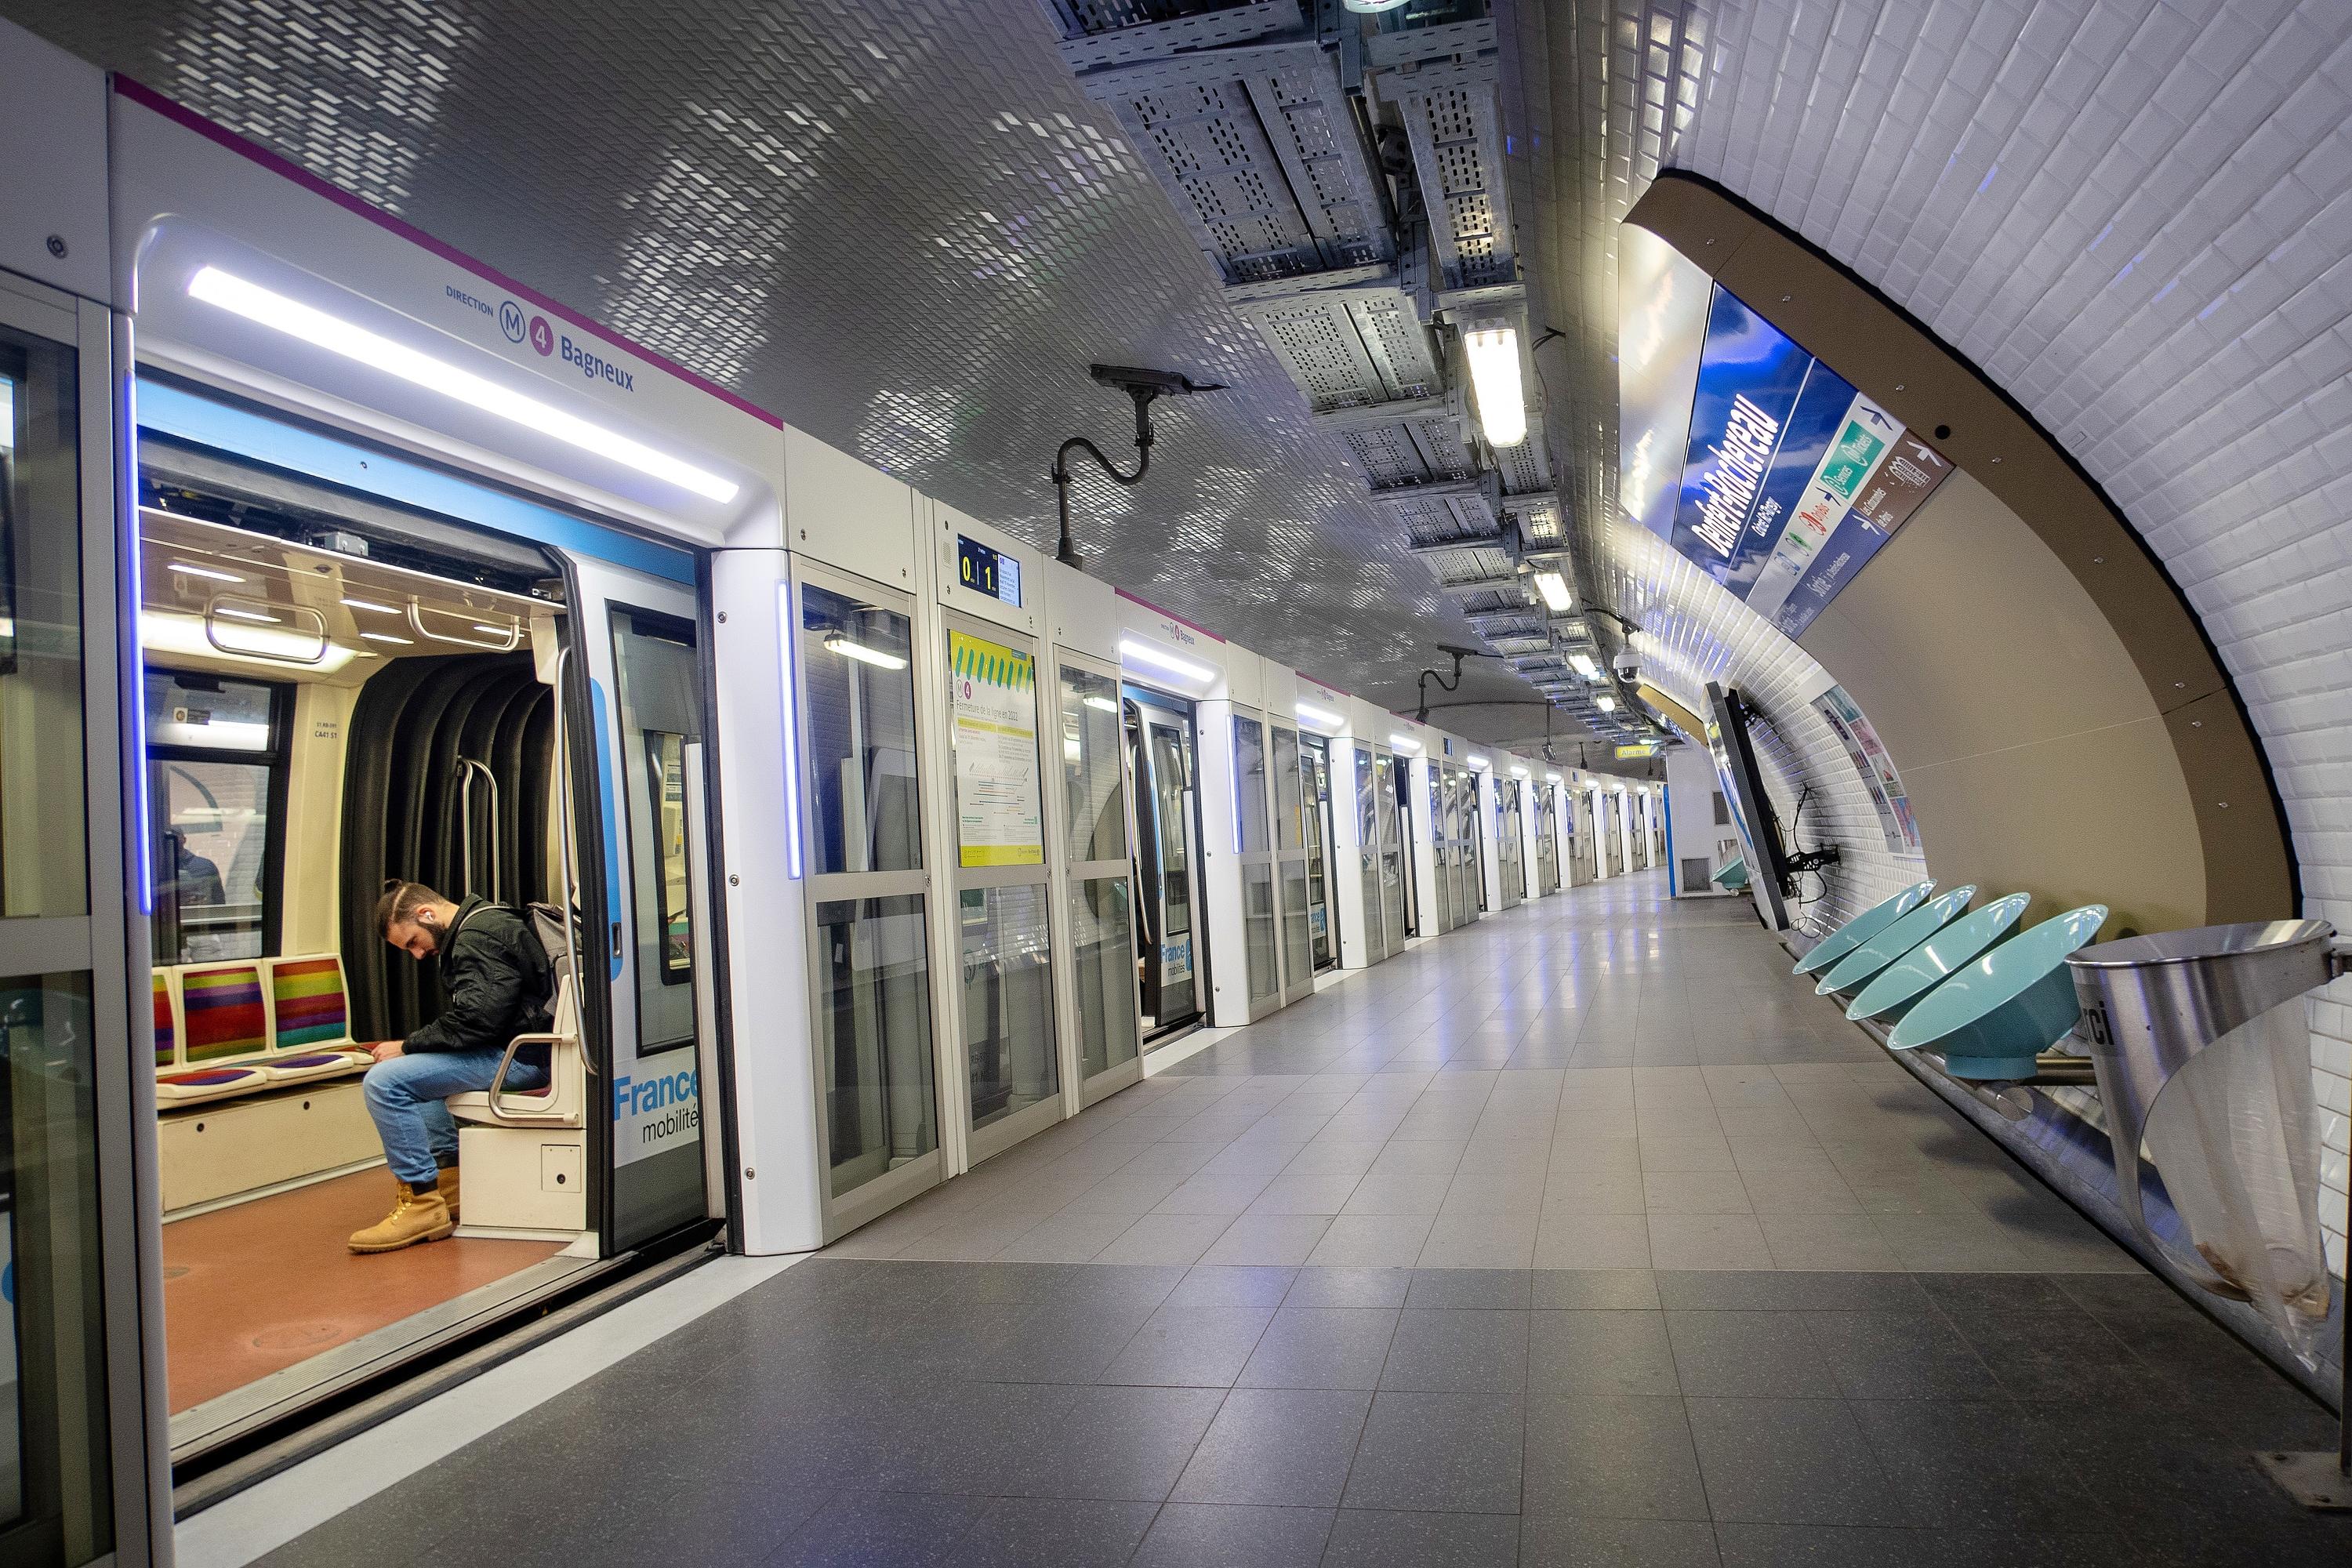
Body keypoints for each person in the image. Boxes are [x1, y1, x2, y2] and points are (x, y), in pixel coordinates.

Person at [349, 880, 556, 1254]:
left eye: (412, 941)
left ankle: (421, 1204)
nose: (416, 954)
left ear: (426, 914)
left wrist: (406, 1044)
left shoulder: (478, 935)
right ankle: (449, 1185)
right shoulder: (489, 920)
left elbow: (480, 1019)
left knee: (384, 1083)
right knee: (416, 1069)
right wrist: (414, 1050)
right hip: (525, 1049)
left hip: (521, 1057)